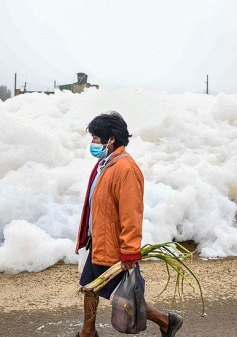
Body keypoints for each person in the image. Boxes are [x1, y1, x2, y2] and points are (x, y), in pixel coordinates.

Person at [75, 111, 183, 337]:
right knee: (90, 288)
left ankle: (166, 321)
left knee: (126, 299)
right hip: (100, 240)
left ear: (110, 139)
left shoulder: (126, 169)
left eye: (95, 138)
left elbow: (131, 213)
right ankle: (88, 331)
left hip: (114, 245)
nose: (92, 143)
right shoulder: (106, 164)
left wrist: (129, 251)